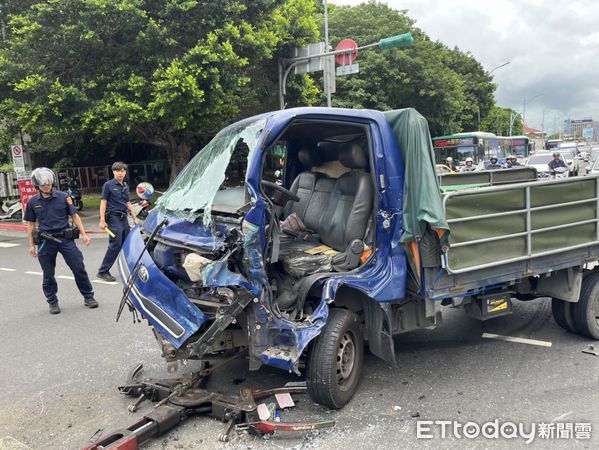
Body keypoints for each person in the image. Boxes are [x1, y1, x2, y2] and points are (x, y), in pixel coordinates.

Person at [25, 168, 98, 314]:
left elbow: (75, 216)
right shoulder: (33, 202)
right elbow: (30, 225)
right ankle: (52, 301)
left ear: (52, 182)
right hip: (45, 241)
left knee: (78, 267)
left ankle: (88, 296)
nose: (46, 186)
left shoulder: (63, 197)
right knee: (48, 274)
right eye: (43, 184)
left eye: (48, 183)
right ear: (36, 185)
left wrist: (84, 234)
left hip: (65, 239)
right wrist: (31, 245)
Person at [97, 161, 138, 281]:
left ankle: (129, 269)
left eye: (122, 171)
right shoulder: (108, 185)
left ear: (125, 172)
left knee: (127, 244)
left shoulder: (125, 186)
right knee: (115, 245)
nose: (120, 173)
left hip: (124, 218)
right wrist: (102, 220)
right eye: (117, 171)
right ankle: (103, 271)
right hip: (113, 218)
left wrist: (134, 217)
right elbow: (103, 203)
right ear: (113, 172)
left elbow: (127, 203)